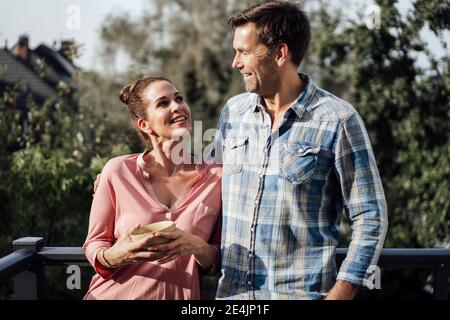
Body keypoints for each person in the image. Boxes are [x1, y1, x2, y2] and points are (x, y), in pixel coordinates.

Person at [213, 1, 388, 300]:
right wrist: (132, 173)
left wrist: (341, 293)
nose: (235, 63)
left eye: (244, 52)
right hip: (232, 298)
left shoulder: (338, 119)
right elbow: (207, 185)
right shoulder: (233, 112)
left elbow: (370, 216)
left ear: (280, 53)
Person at [83, 76, 222, 300]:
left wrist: (196, 245)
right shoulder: (117, 171)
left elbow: (216, 259)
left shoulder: (217, 178)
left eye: (179, 99)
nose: (177, 107)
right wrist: (116, 255)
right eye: (163, 103)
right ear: (144, 124)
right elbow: (94, 242)